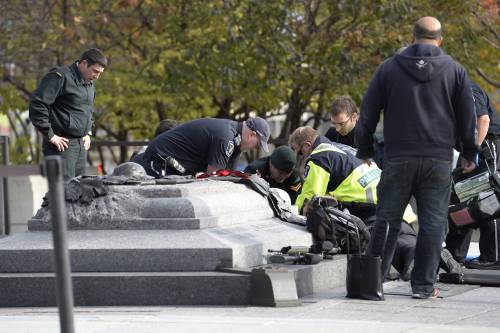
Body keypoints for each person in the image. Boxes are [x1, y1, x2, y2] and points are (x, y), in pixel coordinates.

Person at [355, 17, 477, 299]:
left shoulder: (388, 68)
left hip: (398, 156)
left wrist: (365, 149)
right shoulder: (455, 71)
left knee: (387, 220)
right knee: (433, 223)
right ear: (440, 40)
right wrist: (469, 152)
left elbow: (368, 112)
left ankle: (373, 282)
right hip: (438, 159)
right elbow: (467, 117)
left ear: (413, 37)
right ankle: (423, 286)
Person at [289, 126, 417, 279]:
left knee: (372, 240)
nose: (300, 157)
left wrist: (292, 210)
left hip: (370, 209)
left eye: (299, 152)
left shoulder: (319, 158)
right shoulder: (344, 148)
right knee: (405, 237)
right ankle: (427, 253)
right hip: (398, 204)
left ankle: (411, 255)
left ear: (307, 145)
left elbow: (311, 197)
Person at [29, 48, 107, 180]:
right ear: (84, 63)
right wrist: (50, 135)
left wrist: (88, 132)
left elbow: (87, 110)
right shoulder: (60, 76)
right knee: (63, 193)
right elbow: (38, 104)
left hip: (81, 145)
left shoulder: (90, 83)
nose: (97, 76)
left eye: (100, 73)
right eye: (95, 71)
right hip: (62, 145)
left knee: (79, 192)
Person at [446, 82, 500, 269]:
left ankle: (492, 256)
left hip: (484, 145)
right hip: (468, 149)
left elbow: (482, 120)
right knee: (460, 199)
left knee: (487, 198)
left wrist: (472, 151)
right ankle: (455, 256)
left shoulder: (465, 88)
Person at [138, 117, 270, 177]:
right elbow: (213, 177)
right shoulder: (226, 138)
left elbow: (228, 176)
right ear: (251, 135)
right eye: (257, 144)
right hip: (159, 160)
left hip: (174, 166)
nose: (255, 148)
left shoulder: (235, 140)